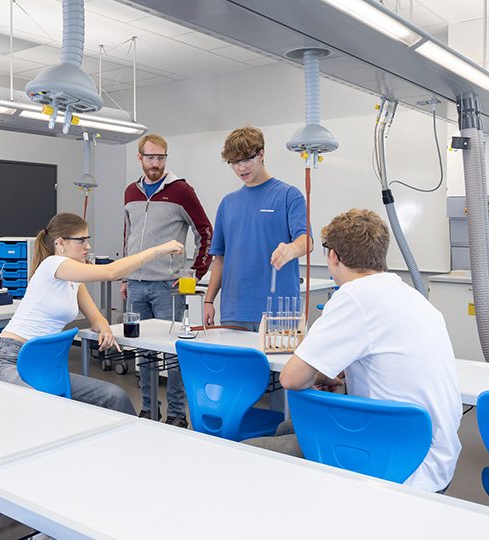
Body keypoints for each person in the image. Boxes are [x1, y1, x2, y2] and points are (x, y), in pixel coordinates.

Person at [247, 209, 462, 494]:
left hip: (395, 461)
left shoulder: (353, 296)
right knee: (288, 428)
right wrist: (334, 375)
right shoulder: (413, 297)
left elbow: (291, 379)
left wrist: (314, 374)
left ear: (333, 256)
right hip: (434, 455)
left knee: (246, 453)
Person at [0, 212, 184, 415]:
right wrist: (157, 251)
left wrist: (104, 329)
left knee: (115, 396)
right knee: (40, 410)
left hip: (43, 364)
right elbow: (111, 272)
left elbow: (96, 318)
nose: (88, 246)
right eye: (81, 241)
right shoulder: (52, 263)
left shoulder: (74, 279)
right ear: (61, 243)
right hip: (8, 360)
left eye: (87, 240)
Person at [122, 133, 213, 427]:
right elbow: (129, 236)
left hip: (167, 287)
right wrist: (125, 275)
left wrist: (195, 273)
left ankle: (176, 413)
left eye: (161, 157)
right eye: (150, 157)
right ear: (140, 158)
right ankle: (149, 409)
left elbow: (206, 233)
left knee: (174, 354)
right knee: (144, 352)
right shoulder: (131, 192)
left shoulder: (181, 191)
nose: (156, 163)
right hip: (136, 284)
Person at [203, 127, 311, 331]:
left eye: (247, 159)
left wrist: (291, 249)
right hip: (235, 310)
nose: (241, 168)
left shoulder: (289, 195)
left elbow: (306, 240)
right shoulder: (228, 203)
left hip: (279, 313)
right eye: (234, 162)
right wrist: (209, 300)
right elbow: (220, 258)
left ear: (261, 154)